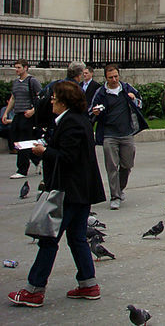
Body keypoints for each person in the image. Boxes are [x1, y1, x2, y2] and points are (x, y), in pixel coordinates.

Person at [7, 80, 105, 308]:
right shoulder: (76, 119)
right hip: (81, 191)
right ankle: (88, 284)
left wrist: (44, 151)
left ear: (64, 101)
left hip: (68, 191)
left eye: (54, 97)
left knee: (49, 239)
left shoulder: (71, 122)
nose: (51, 100)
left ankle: (34, 289)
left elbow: (67, 158)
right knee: (77, 238)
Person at [89, 64, 147, 210]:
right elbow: (91, 110)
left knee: (127, 165)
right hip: (109, 134)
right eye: (111, 77)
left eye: (116, 76)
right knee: (111, 166)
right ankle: (115, 196)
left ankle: (120, 189)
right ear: (105, 78)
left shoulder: (127, 89)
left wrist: (134, 99)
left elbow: (140, 104)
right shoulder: (101, 93)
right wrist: (95, 112)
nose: (114, 79)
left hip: (126, 133)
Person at [4, 59, 41, 178]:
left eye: (19, 67)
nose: (16, 70)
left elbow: (41, 97)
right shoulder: (15, 82)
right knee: (16, 139)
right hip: (18, 114)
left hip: (28, 115)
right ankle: (37, 159)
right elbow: (13, 98)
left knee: (23, 141)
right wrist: (6, 113)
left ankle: (22, 169)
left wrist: (33, 110)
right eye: (16, 67)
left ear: (25, 68)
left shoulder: (32, 81)